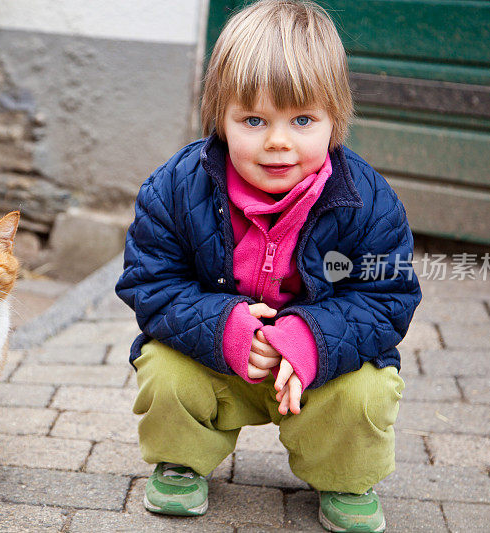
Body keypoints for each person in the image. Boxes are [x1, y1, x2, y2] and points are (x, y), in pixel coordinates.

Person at [115, 1, 422, 531]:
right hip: (215, 357)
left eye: (302, 120)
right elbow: (151, 282)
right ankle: (180, 460)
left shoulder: (368, 201)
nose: (278, 142)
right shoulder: (174, 187)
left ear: (335, 119)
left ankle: (347, 476)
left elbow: (387, 298)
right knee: (163, 368)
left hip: (317, 371)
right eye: (254, 120)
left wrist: (310, 338)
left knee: (366, 389)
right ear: (220, 118)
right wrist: (224, 326)